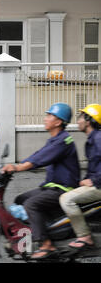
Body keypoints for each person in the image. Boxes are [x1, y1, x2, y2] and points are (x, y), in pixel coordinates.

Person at [2, 103, 80, 260]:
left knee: (32, 204)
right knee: (20, 199)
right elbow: (36, 155)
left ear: (58, 122)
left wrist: (17, 168)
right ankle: (27, 240)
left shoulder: (63, 141)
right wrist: (16, 165)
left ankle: (46, 244)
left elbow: (39, 160)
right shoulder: (54, 139)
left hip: (63, 189)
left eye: (49, 116)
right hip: (51, 187)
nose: (45, 119)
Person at [59, 104, 101, 253]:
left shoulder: (98, 139)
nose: (78, 120)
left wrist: (95, 181)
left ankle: (84, 237)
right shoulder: (92, 140)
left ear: (89, 120)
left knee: (66, 200)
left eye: (81, 117)